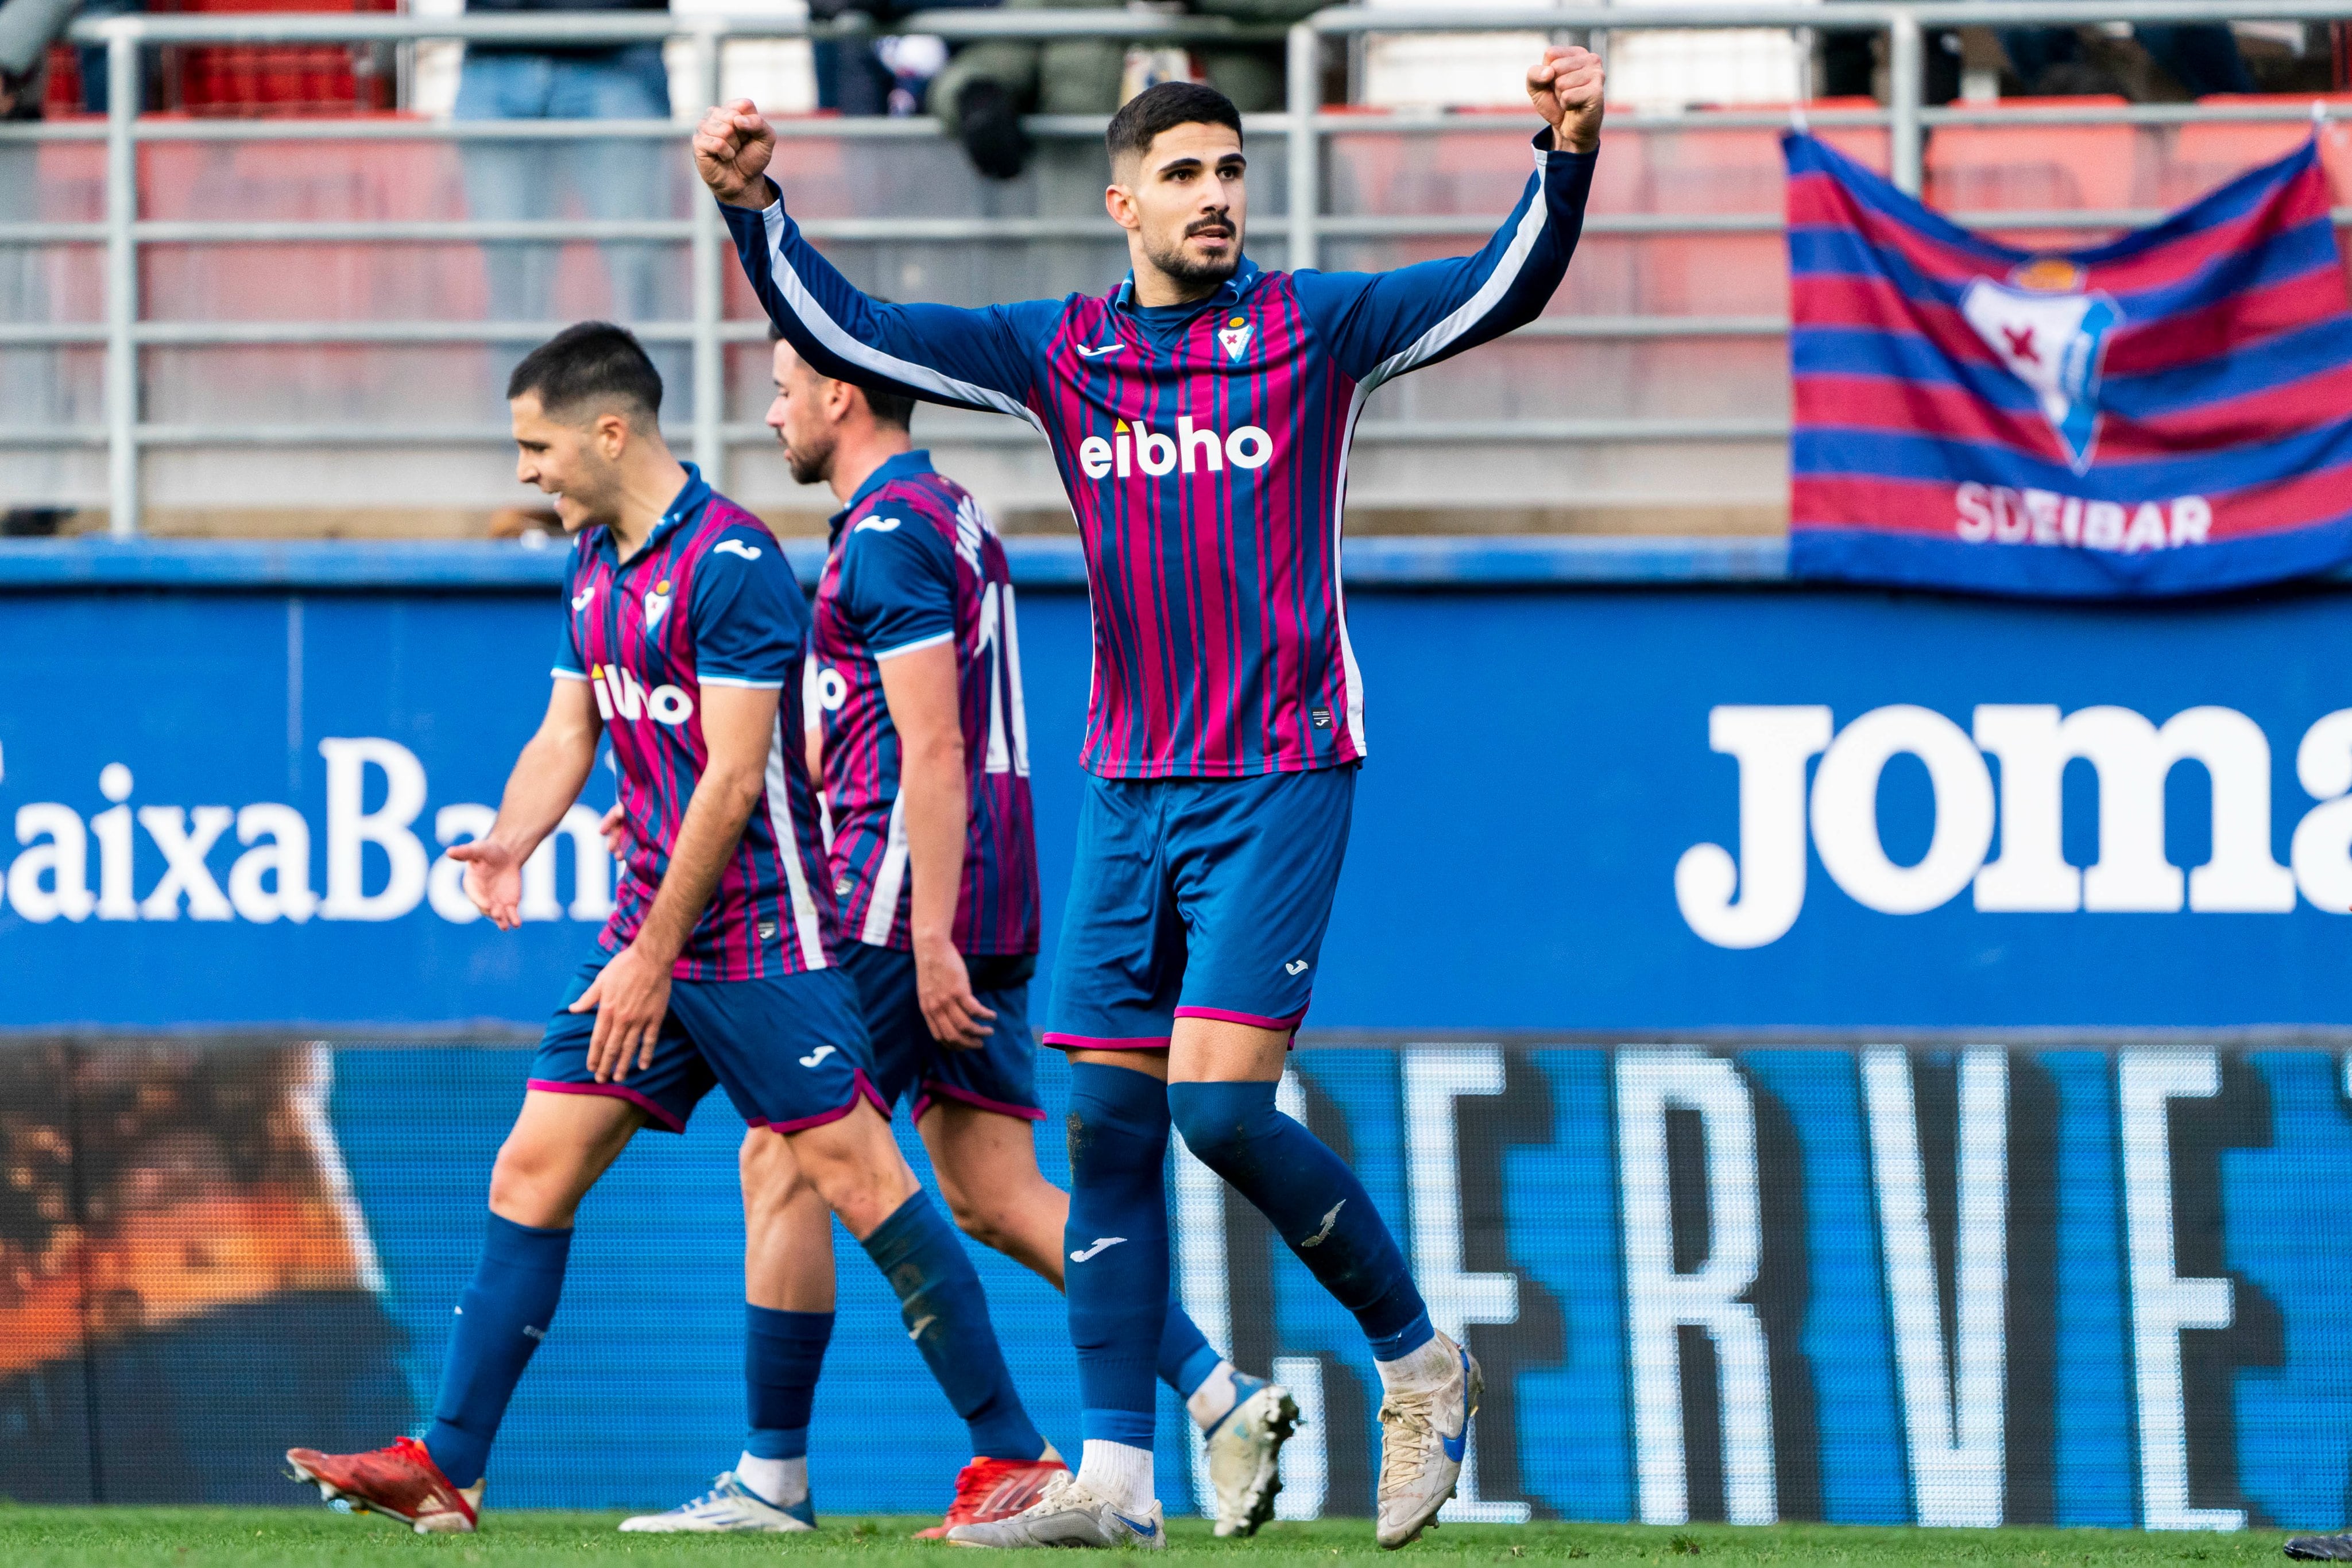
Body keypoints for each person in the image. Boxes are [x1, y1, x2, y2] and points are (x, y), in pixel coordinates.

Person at [693, 49, 1603, 1550]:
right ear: (1122, 201)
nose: (1215, 198)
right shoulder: (1060, 352)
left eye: (1231, 171)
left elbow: (1503, 283)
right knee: (1108, 1128)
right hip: (1128, 786)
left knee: (1216, 1109)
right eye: (1183, 175)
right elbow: (848, 326)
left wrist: (1562, 154)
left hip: (1281, 772)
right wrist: (752, 209)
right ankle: (1116, 1479)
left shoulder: (1318, 329)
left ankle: (1422, 1363)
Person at [283, 322, 1055, 1535]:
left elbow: (735, 781)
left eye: (537, 444)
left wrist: (652, 955)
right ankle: (449, 1463)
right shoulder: (593, 558)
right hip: (648, 933)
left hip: (759, 938)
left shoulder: (734, 561)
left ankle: (1013, 1454)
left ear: (609, 430)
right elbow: (568, 731)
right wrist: (512, 838)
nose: (526, 469)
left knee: (863, 1181)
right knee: (531, 1167)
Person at [614, 332, 1301, 1539]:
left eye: (780, 392)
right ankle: (1215, 1393)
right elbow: (877, 726)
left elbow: (927, 746)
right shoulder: (945, 514)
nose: (769, 417)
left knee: (783, 1155)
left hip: (904, 886)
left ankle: (791, 1478)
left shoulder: (883, 534)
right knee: (989, 1192)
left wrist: (925, 931)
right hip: (977, 885)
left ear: (840, 392)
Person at [453, 0, 674, 378]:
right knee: (510, 282)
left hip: (618, 46)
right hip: (496, 47)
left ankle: (652, 431)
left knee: (639, 274)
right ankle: (521, 433)